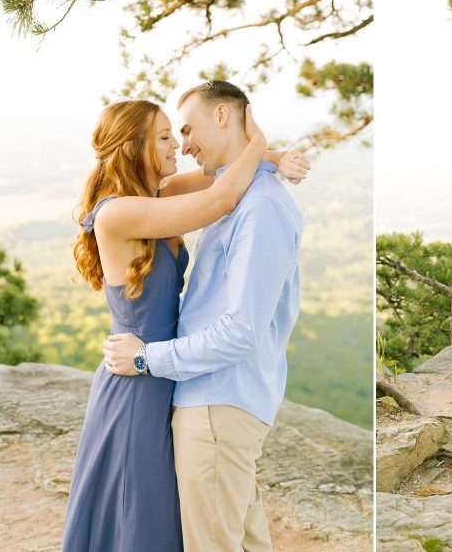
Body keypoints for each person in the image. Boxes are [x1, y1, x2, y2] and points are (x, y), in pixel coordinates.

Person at [62, 97, 308, 552]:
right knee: (142, 513)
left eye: (177, 133)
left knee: (183, 519)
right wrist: (260, 141)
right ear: (134, 149)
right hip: (138, 380)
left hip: (169, 373)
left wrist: (269, 158)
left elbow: (223, 172)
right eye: (163, 137)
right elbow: (221, 197)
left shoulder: (159, 196)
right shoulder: (119, 213)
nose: (177, 144)